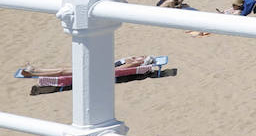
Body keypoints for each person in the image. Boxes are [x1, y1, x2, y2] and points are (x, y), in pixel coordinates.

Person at [17, 56, 156, 78]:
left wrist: (134, 61)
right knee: (62, 68)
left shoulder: (131, 65)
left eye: (142, 58)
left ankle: (33, 73)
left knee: (61, 71)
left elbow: (113, 71)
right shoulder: (129, 61)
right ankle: (35, 69)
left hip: (94, 72)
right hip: (95, 67)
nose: (138, 57)